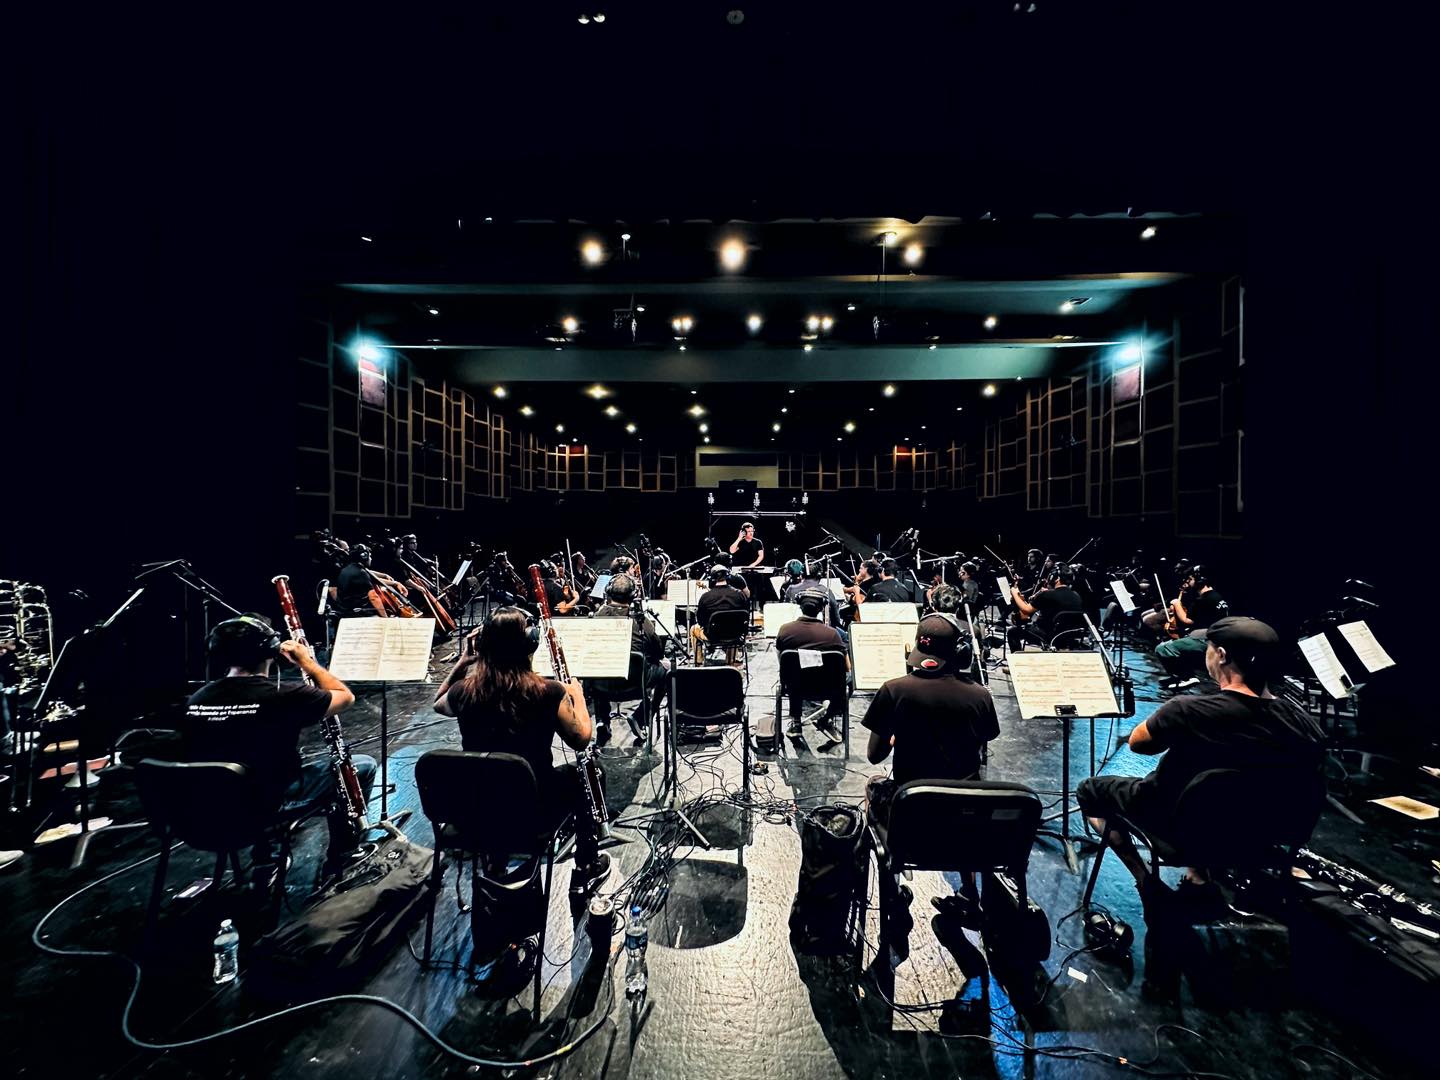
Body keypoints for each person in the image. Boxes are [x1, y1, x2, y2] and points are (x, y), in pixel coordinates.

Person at [1077, 616, 1324, 913]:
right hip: (1260, 838)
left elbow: (1139, 744)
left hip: (1181, 831)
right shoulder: (1305, 724)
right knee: (1215, 787)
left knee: (1090, 790)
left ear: (1220, 655)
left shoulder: (1188, 710)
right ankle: (1198, 876)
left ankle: (1146, 881)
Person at [433, 608, 611, 897]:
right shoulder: (548, 691)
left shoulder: (465, 691)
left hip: (476, 812)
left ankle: (496, 861)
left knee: (496, 779)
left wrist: (464, 663)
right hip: (533, 812)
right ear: (529, 643)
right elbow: (581, 739)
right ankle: (585, 866)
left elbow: (438, 702)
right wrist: (577, 697)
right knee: (591, 772)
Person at [184, 614, 375, 884]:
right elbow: (345, 697)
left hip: (206, 811)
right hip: (264, 806)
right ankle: (343, 856)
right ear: (271, 651)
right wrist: (307, 661)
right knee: (361, 766)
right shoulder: (283, 695)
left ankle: (268, 855)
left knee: (249, 771)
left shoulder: (197, 699)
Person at [862, 613, 1000, 827]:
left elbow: (874, 756)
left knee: (874, 784)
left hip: (913, 804)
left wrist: (898, 738)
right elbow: (985, 738)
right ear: (960, 652)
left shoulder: (893, 690)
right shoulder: (981, 695)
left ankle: (890, 854)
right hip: (963, 808)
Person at [590, 573, 667, 742]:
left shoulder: (595, 619)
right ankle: (641, 718)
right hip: (635, 686)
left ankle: (602, 721)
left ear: (608, 594)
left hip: (602, 687)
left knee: (596, 666)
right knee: (666, 672)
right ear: (634, 596)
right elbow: (658, 653)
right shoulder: (642, 622)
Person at [776, 589, 851, 737]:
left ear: (800, 606)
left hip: (795, 686)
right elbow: (847, 667)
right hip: (827, 688)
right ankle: (827, 718)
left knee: (793, 674)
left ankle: (796, 721)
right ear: (821, 608)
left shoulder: (785, 630)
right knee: (851, 679)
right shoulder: (832, 634)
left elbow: (782, 662)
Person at [1153, 566, 1230, 690]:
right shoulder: (1217, 596)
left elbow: (1187, 621)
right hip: (1216, 639)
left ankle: (1186, 676)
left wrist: (1176, 604)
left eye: (1190, 579)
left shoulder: (1203, 599)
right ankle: (1179, 676)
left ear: (1199, 580)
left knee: (1163, 648)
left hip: (1207, 640)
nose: (1188, 582)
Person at [1008, 565, 1084, 650]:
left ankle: (1019, 661)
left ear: (1057, 579)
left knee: (1012, 632)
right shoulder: (1076, 595)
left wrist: (1014, 594)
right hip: (1068, 636)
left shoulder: (1047, 594)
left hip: (1047, 635)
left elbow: (1026, 610)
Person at [691, 564, 750, 665]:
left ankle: (698, 663)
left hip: (713, 636)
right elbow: (745, 616)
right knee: (733, 627)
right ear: (728, 577)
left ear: (712, 579)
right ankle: (731, 662)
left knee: (693, 629)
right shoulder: (739, 594)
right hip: (735, 635)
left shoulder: (705, 597)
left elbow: (700, 621)